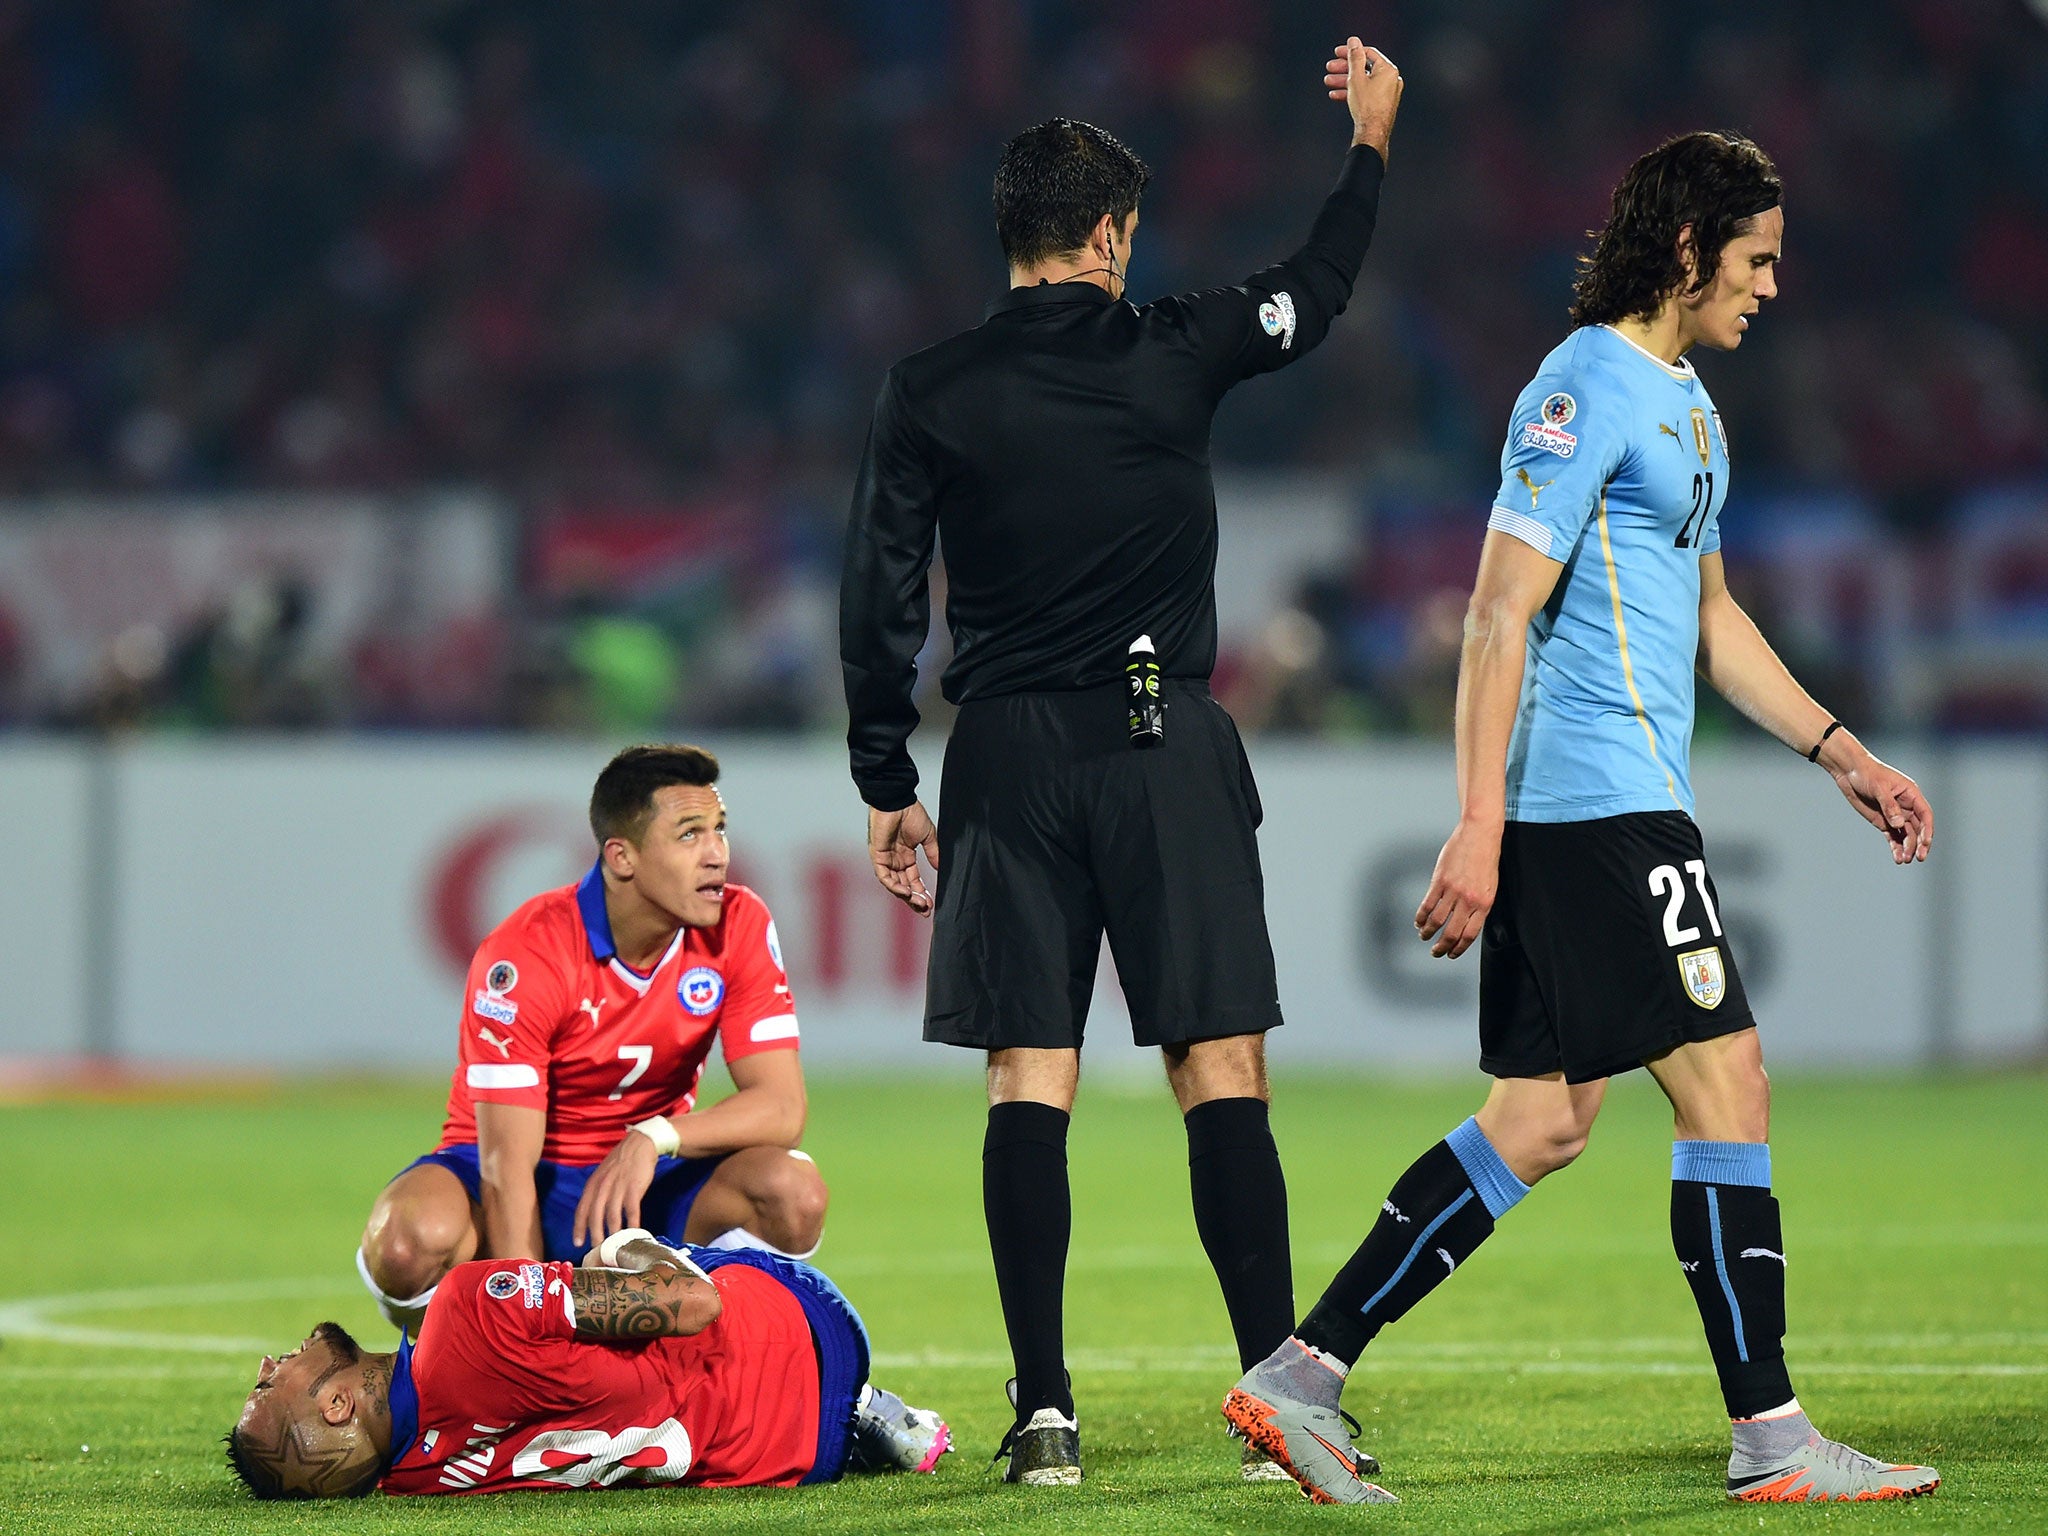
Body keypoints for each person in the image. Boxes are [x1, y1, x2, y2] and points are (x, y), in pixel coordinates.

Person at [1223, 131, 1941, 1506]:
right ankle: (1773, 1439)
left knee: (1542, 1120)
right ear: (1688, 250)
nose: (1772, 289)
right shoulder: (1579, 388)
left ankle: (1300, 1377)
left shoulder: (1688, 403)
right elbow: (1498, 609)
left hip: (1618, 798)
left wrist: (1842, 753)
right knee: (1730, 1084)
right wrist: (1478, 821)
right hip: (1594, 802)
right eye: (1757, 260)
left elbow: (1715, 623)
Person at [838, 39, 1402, 1486]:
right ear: (1106, 234)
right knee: (1221, 1070)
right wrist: (1370, 148)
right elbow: (1319, 290)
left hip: (1011, 756)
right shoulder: (1178, 344)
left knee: (1031, 1076)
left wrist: (887, 781)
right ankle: (1281, 1402)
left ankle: (1043, 1411)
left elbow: (881, 594)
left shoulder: (929, 387)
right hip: (1162, 746)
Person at [356, 744, 829, 1333]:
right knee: (410, 1242)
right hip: (515, 1176)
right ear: (622, 856)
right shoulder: (528, 951)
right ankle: (443, 1372)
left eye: (720, 829)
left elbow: (782, 1108)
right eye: (688, 835)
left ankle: (732, 1364)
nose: (717, 855)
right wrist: (531, 1326)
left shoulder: (741, 922)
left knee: (792, 1191)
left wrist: (653, 1137)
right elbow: (507, 1166)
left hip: (641, 1183)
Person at [226, 1230, 949, 1497]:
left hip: (789, 1457)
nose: (266, 1361)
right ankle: (867, 1402)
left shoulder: (412, 1479)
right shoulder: (464, 1308)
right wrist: (623, 1246)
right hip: (811, 1332)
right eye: (268, 1383)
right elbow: (693, 1306)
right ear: (336, 1406)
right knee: (656, 1244)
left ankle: (866, 1426)